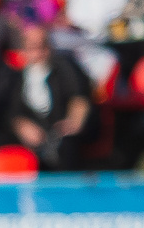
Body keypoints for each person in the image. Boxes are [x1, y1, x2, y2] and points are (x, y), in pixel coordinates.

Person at [11, 23, 96, 171]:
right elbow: (12, 111)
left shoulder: (65, 67)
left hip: (62, 133)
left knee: (66, 146)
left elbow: (79, 98)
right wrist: (21, 126)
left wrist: (73, 122)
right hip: (34, 134)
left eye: (42, 47)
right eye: (31, 48)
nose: (37, 53)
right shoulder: (17, 76)